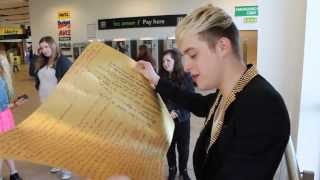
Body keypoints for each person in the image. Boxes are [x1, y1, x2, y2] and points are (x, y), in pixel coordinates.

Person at [135, 4, 290, 180]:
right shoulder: (230, 93)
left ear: (222, 47)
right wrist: (156, 80)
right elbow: (197, 102)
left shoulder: (262, 106)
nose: (186, 66)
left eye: (193, 55)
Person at [35, 36, 73, 180]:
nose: (44, 50)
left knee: (63, 137)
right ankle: (58, 162)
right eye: (42, 47)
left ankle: (67, 168)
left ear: (53, 46)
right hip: (45, 104)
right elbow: (40, 82)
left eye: (46, 47)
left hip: (60, 106)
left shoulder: (62, 62)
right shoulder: (43, 62)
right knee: (52, 136)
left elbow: (71, 83)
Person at [159, 49, 194, 180]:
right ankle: (172, 169)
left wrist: (177, 113)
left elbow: (191, 101)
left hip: (183, 121)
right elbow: (157, 100)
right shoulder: (160, 78)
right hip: (167, 121)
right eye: (163, 61)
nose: (165, 63)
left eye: (168, 60)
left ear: (176, 61)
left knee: (183, 148)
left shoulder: (186, 78)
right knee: (170, 147)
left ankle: (183, 170)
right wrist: (167, 113)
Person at [0, 54, 26, 180]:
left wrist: (13, 103)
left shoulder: (2, 80)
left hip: (4, 115)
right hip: (2, 116)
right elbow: (1, 105)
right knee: (3, 147)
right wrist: (15, 104)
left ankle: (13, 172)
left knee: (6, 145)